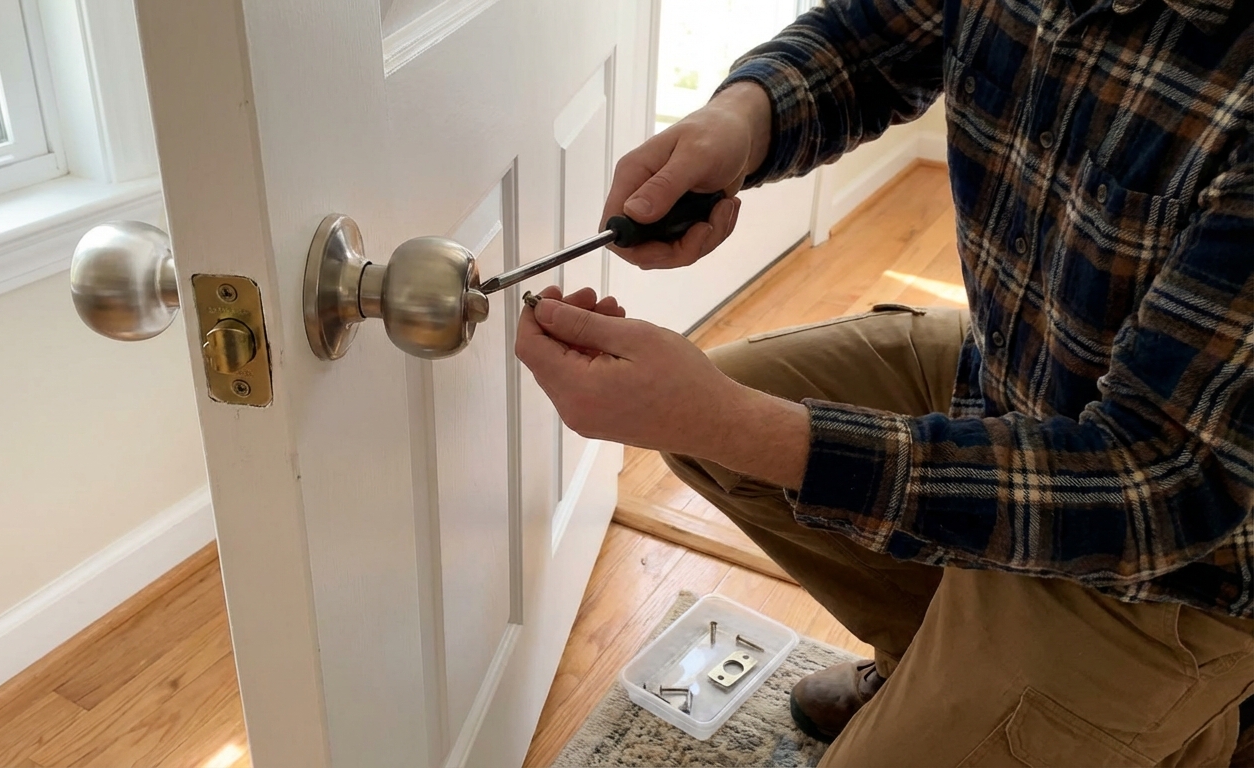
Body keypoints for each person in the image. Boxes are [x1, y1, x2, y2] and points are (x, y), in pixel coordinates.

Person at [515, 0, 1254, 764]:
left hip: (1178, 556)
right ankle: (928, 662)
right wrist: (740, 118)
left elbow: (1165, 482)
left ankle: (1199, 717)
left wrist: (731, 421)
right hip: (1012, 372)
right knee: (721, 436)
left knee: (733, 427)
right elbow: (873, 37)